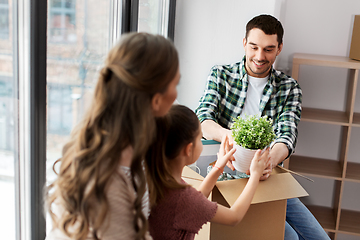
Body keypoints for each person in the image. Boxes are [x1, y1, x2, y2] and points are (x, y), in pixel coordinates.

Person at [195, 14, 330, 240]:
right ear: (245, 43)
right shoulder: (221, 75)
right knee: (289, 237)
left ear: (279, 48)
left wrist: (268, 162)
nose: (259, 56)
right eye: (254, 47)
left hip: (268, 174)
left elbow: (287, 136)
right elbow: (203, 120)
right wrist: (232, 138)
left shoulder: (289, 87)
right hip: (229, 175)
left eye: (268, 49)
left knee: (318, 237)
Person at [45, 32, 180, 240]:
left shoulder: (105, 141)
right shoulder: (109, 181)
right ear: (155, 100)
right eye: (175, 84)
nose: (176, 95)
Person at [146, 104, 270, 240]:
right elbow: (234, 217)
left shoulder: (158, 179)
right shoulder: (182, 198)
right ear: (188, 149)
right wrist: (255, 175)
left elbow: (195, 201)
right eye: (199, 139)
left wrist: (218, 168)